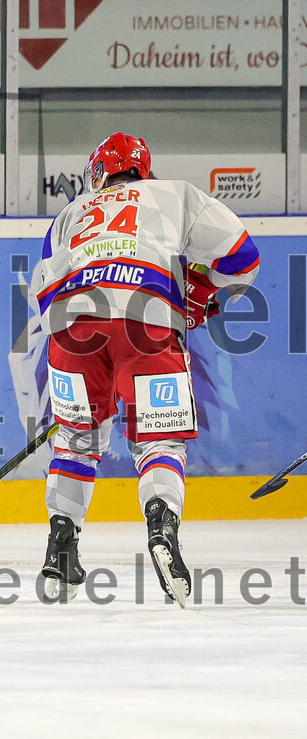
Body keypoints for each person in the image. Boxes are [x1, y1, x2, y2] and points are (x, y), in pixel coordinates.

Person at [30, 132, 260, 604]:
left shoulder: (69, 214)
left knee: (76, 442)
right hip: (146, 317)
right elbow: (242, 257)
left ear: (97, 173)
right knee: (159, 440)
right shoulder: (174, 194)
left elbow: (42, 291)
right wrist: (196, 294)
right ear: (143, 171)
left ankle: (61, 551)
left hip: (70, 325)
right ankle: (161, 527)